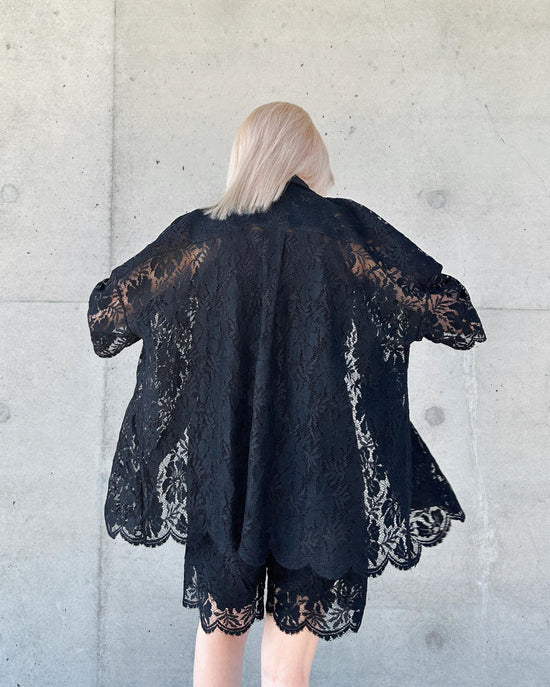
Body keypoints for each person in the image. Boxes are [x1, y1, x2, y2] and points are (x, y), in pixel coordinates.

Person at [87, 101, 487, 687]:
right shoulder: (346, 233)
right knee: (286, 670)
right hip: (320, 471)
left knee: (217, 644)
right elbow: (455, 315)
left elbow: (106, 318)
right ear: (307, 157)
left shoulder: (200, 237)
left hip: (226, 468)